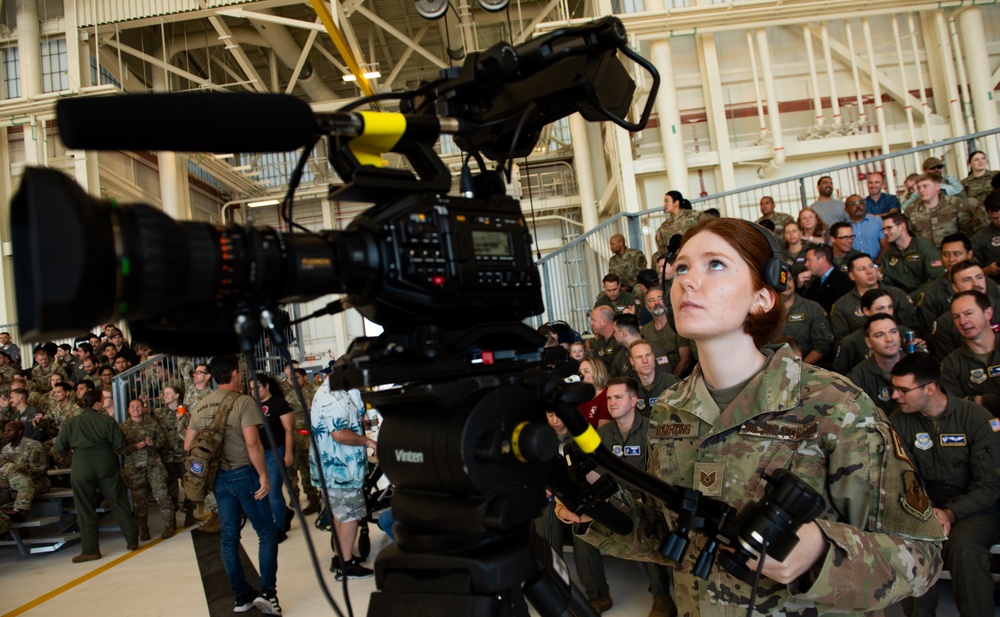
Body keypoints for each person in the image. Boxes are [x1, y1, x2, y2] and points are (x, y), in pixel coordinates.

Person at [559, 217, 943, 615]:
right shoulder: (671, 409)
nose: (687, 281)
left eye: (715, 264)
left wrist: (820, 555)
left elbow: (922, 556)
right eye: (682, 267)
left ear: (762, 297)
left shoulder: (836, 405)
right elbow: (665, 534)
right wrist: (596, 511)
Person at [889, 353, 1000, 617]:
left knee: (964, 549)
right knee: (913, 545)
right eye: (894, 388)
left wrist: (951, 513)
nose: (895, 396)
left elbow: (990, 484)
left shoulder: (975, 418)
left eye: (903, 390)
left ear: (930, 388)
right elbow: (904, 477)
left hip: (976, 509)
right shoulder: (898, 421)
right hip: (926, 507)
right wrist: (928, 512)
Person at [184, 356, 281, 615]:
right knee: (266, 533)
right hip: (244, 474)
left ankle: (241, 597)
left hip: (219, 479)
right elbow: (252, 443)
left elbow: (188, 445)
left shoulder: (201, 404)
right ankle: (268, 594)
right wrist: (263, 475)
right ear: (235, 373)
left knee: (229, 538)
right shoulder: (243, 401)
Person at [598, 377, 676, 617]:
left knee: (647, 529)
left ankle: (662, 598)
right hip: (614, 498)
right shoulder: (602, 433)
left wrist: (645, 500)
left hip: (646, 499)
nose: (612, 402)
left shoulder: (653, 429)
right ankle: (596, 595)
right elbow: (597, 471)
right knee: (582, 531)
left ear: (634, 401)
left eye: (618, 397)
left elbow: (662, 473)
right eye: (609, 398)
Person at [535, 409, 612, 613]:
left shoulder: (582, 437)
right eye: (549, 415)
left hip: (578, 497)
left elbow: (596, 470)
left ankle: (599, 595)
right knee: (545, 531)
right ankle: (554, 592)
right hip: (550, 498)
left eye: (558, 415)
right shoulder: (540, 438)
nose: (555, 420)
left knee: (584, 536)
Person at [53, 390, 139, 562]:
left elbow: (58, 449)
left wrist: (74, 455)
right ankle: (132, 540)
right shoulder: (107, 420)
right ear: (97, 403)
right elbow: (120, 444)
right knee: (119, 501)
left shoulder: (71, 422)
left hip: (81, 465)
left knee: (85, 508)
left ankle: (90, 550)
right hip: (106, 463)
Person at [310, 372, 375, 581]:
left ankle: (340, 559)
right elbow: (339, 434)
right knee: (351, 515)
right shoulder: (332, 396)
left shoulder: (337, 391)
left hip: (337, 469)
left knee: (341, 514)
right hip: (341, 470)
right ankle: (346, 567)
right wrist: (368, 441)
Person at [120, 399, 175, 541]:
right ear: (128, 410)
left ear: (142, 408)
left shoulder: (152, 423)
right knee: (139, 501)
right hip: (134, 468)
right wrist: (134, 447)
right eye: (132, 407)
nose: (135, 409)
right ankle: (143, 529)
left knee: (162, 495)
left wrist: (153, 443)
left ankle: (169, 525)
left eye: (138, 406)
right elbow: (119, 449)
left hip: (153, 465)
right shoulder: (123, 428)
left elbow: (162, 440)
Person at [829, 253, 915, 343]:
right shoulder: (842, 305)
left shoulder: (897, 294)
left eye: (871, 266)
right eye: (862, 269)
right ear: (852, 276)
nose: (869, 271)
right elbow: (841, 341)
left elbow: (911, 327)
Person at [939, 290, 1000, 416]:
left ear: (988, 313)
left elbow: (965, 405)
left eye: (968, 313)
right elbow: (956, 410)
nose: (962, 321)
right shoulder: (951, 364)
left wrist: (977, 400)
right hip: (977, 427)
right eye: (956, 317)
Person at [254, 373, 295, 540]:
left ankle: (279, 528)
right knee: (263, 490)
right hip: (258, 453)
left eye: (257, 387)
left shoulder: (279, 403)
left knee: (273, 491)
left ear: (266, 386)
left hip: (275, 451)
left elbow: (289, 429)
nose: (254, 392)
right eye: (251, 389)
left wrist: (288, 452)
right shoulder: (252, 405)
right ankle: (284, 513)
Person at [845, 313, 904, 413]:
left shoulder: (918, 366)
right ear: (868, 342)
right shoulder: (858, 376)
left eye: (893, 332)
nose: (889, 339)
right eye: (880, 335)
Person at [904, 171, 979, 248]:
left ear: (937, 187)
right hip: (926, 253)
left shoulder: (956, 204)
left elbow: (967, 232)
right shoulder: (911, 211)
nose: (921, 190)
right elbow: (910, 239)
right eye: (919, 187)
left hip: (954, 251)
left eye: (925, 186)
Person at [880, 212, 945, 293]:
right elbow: (889, 284)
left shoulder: (924, 247)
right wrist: (881, 278)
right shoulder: (888, 255)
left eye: (889, 228)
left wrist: (913, 296)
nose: (885, 233)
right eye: (883, 229)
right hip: (901, 297)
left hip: (926, 295)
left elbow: (936, 277)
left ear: (902, 226)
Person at [0, 420, 49, 522]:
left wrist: (18, 470)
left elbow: (39, 470)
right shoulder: (6, 449)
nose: (6, 433)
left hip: (37, 481)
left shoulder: (33, 445)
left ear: (19, 432)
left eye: (10, 430)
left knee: (23, 484)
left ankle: (21, 511)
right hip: (13, 482)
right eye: (5, 430)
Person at [778, 277, 834, 366]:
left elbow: (823, 346)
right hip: (770, 367)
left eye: (789, 279)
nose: (787, 283)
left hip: (806, 367)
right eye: (782, 280)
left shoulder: (813, 308)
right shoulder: (764, 310)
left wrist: (801, 367)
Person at [639, 287, 692, 377]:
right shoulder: (644, 331)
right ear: (647, 307)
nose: (657, 303)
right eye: (651, 300)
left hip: (681, 378)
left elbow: (686, 360)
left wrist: (671, 381)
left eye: (660, 298)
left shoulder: (678, 325)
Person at [799, 244, 854, 313]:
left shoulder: (843, 280)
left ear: (822, 260)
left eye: (809, 260)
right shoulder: (815, 283)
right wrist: (799, 286)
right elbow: (803, 305)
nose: (806, 264)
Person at [629, 340, 678, 415]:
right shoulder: (629, 388)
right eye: (639, 357)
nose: (645, 361)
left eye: (648, 355)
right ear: (632, 361)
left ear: (653, 356)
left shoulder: (673, 383)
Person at [900, 156, 968, 210]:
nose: (936, 169)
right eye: (932, 168)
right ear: (925, 170)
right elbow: (904, 206)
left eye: (939, 167)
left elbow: (962, 196)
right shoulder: (919, 188)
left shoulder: (949, 181)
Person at [654, 190, 700, 259]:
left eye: (667, 201)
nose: (665, 204)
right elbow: (662, 249)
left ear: (676, 202)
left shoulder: (695, 216)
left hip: (695, 254)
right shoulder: (664, 226)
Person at [842, 194, 885, 259]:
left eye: (861, 202)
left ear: (865, 205)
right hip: (853, 263)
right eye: (853, 204)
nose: (858, 205)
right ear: (846, 210)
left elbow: (886, 246)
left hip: (877, 261)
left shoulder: (877, 222)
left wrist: (876, 263)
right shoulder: (844, 227)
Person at [971, 192, 1000, 280]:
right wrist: (985, 271)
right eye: (995, 218)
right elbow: (969, 272)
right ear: (989, 215)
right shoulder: (979, 239)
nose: (999, 221)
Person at [577, 358, 612, 429]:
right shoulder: (581, 396)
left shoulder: (606, 396)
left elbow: (603, 431)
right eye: (580, 371)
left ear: (598, 373)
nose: (580, 375)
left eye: (586, 371)